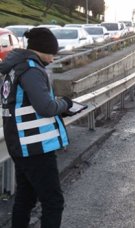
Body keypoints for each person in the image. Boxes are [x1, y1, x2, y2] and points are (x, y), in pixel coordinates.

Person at [0, 27, 74, 228]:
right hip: (35, 147)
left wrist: (58, 107)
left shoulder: (14, 68)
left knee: (25, 198)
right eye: (51, 53)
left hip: (20, 144)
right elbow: (46, 107)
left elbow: (26, 105)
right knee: (53, 202)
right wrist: (66, 104)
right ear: (41, 50)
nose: (52, 59)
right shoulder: (32, 70)